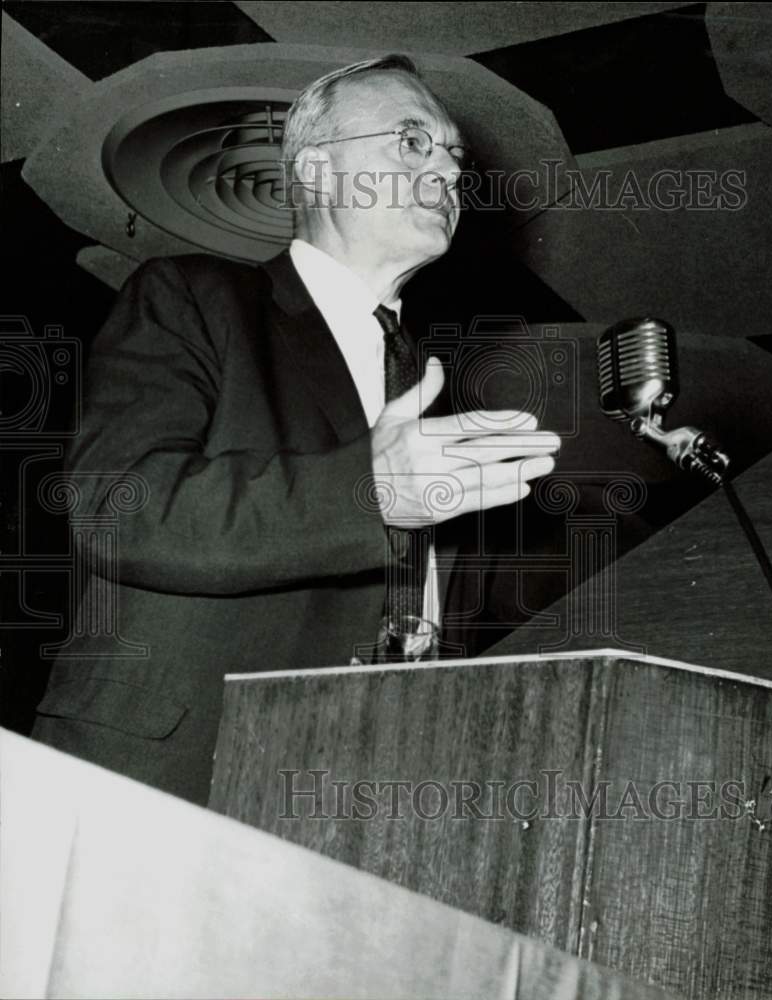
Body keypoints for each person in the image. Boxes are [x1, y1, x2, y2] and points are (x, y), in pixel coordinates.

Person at [32, 55, 560, 805]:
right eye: (412, 141)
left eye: (454, 156)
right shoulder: (193, 298)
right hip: (167, 785)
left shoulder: (427, 392)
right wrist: (368, 491)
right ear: (316, 170)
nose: (447, 172)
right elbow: (119, 509)